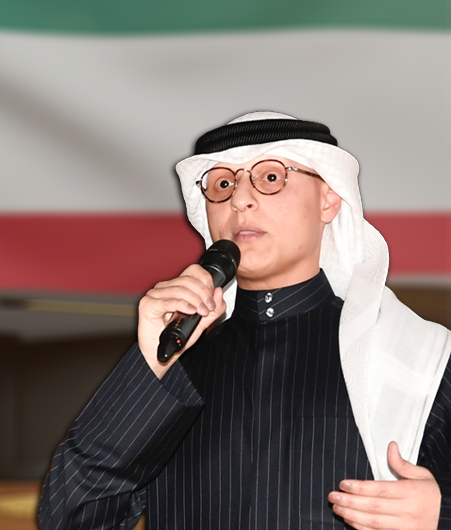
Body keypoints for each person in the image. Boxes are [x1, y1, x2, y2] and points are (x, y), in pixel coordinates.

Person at [37, 112, 451, 529]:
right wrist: (149, 364)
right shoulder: (176, 365)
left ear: (328, 200)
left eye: (271, 178)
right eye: (223, 184)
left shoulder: (419, 359)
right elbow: (70, 518)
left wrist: (440, 515)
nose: (240, 200)